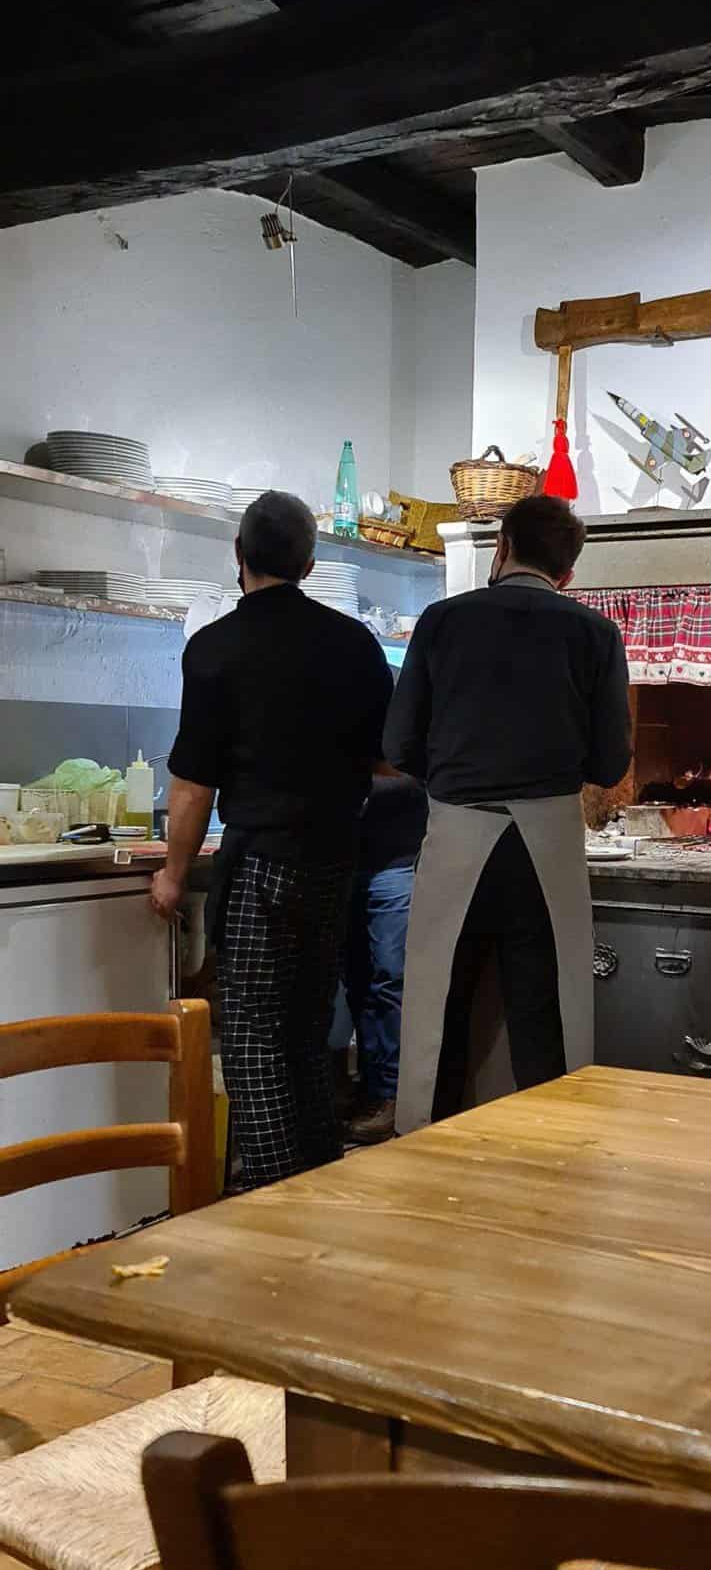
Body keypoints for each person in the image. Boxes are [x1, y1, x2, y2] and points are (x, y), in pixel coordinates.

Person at [152, 490, 393, 1188]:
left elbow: (193, 785)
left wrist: (171, 874)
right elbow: (386, 758)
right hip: (332, 863)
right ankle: (317, 1180)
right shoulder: (354, 644)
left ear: (239, 555)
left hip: (259, 862)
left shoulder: (214, 648)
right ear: (311, 563)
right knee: (307, 1032)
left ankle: (272, 1196)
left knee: (254, 1039)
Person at [383, 492, 631, 1134]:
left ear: (502, 548)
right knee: (547, 1023)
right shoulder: (597, 634)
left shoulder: (440, 622)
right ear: (567, 573)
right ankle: (552, 1167)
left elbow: (398, 745)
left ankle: (424, 1158)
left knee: (439, 1013)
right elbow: (609, 765)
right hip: (546, 844)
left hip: (456, 834)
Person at [340, 770, 428, 1143]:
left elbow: (416, 779)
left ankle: (393, 1095)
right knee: (356, 983)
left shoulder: (399, 717)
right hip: (342, 864)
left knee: (391, 980)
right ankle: (370, 1089)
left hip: (397, 862)